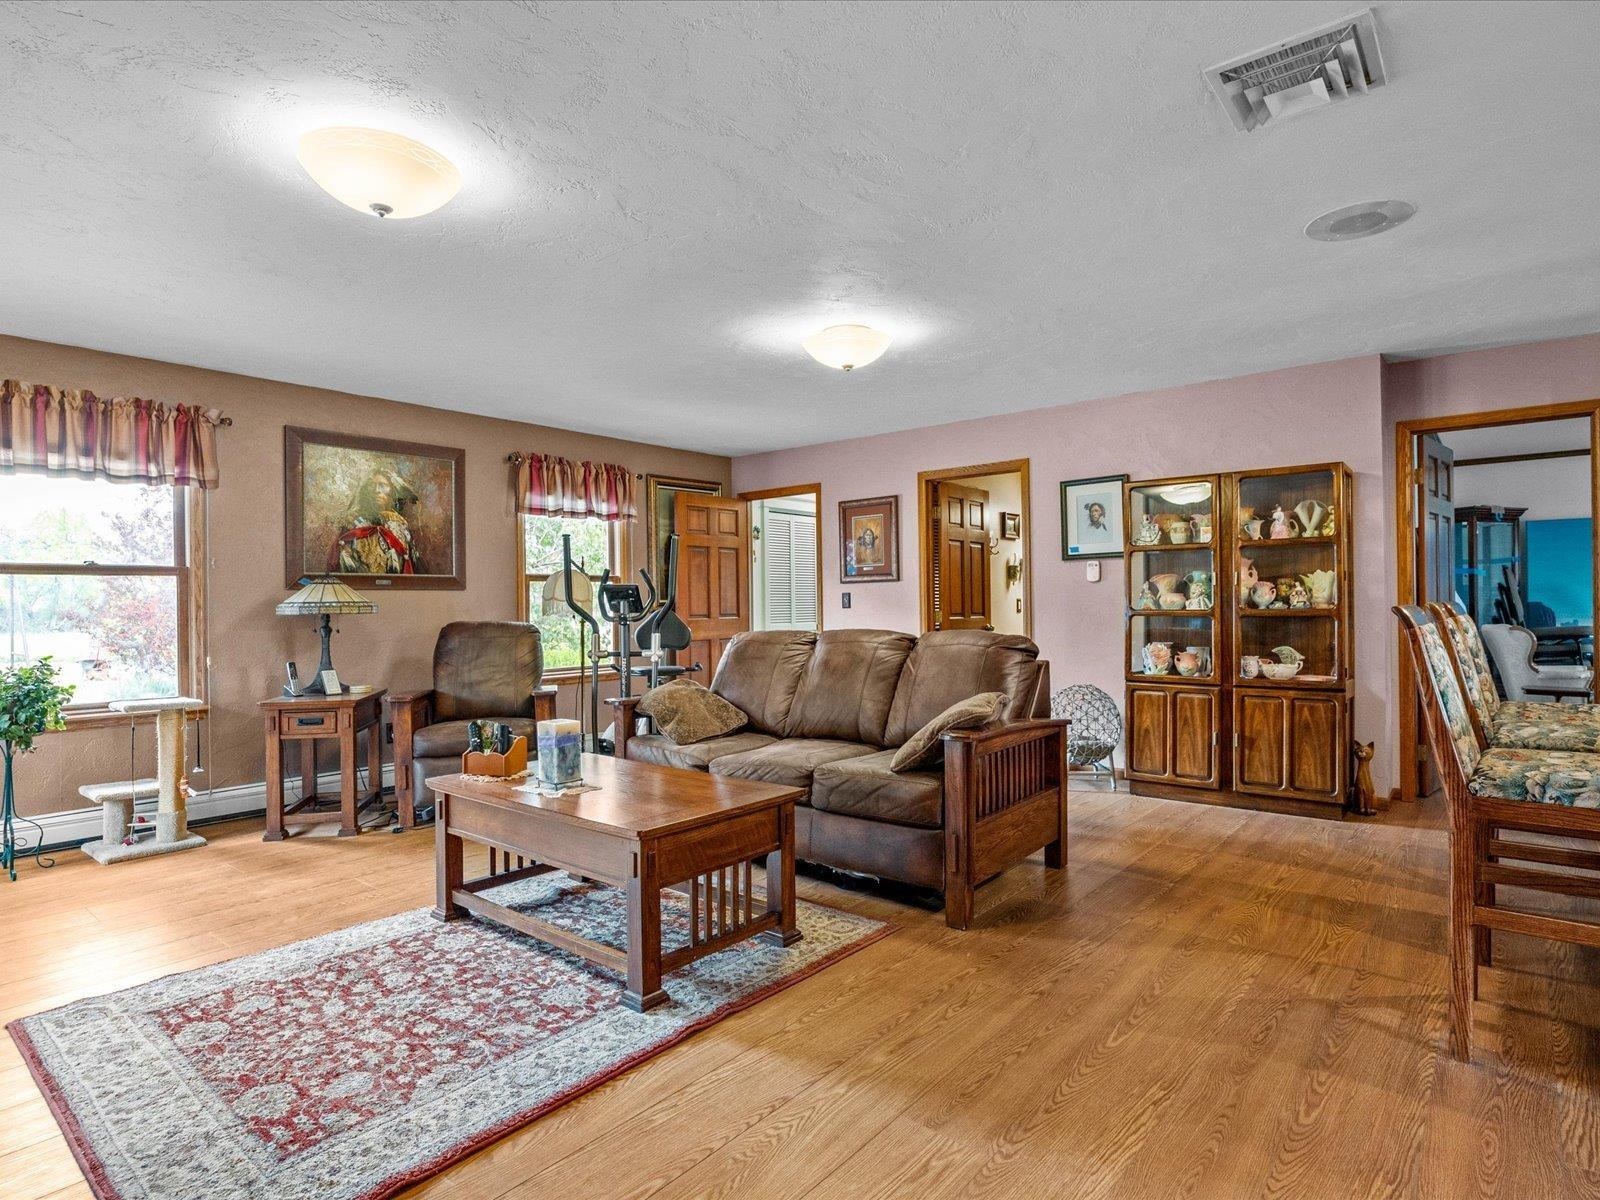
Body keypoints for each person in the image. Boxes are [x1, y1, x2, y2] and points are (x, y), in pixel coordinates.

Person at [328, 468, 420, 575]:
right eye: (372, 485)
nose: (376, 490)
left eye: (382, 485)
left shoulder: (399, 523)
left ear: (392, 490)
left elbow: (408, 562)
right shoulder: (353, 520)